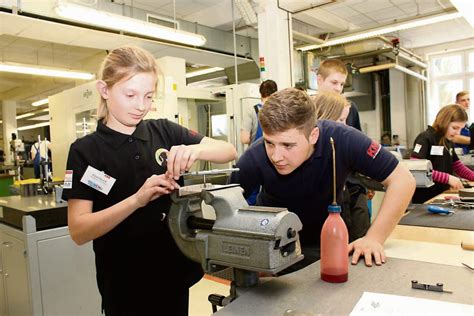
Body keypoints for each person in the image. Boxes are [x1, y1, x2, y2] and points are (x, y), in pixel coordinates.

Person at [62, 46, 237, 316]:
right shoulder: (86, 151)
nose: (141, 105)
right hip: (124, 285)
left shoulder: (163, 130)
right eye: (130, 95)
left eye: (148, 96)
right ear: (104, 90)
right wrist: (136, 200)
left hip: (173, 275)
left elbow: (229, 151)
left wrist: (196, 150)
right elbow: (79, 230)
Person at [229, 88, 415, 273]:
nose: (276, 156)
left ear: (313, 135)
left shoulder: (343, 139)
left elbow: (403, 180)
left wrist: (374, 238)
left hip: (328, 241)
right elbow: (227, 203)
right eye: (270, 143)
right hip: (276, 246)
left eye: (288, 145)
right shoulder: (255, 155)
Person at [316, 59, 371, 241]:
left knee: (360, 235)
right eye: (334, 82)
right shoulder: (308, 109)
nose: (338, 88)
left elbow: (358, 146)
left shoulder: (350, 108)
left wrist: (366, 180)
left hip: (352, 186)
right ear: (319, 80)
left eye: (341, 84)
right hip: (326, 192)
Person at [411, 104, 474, 203]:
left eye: (461, 129)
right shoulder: (425, 138)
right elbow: (416, 168)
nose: (458, 132)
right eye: (455, 128)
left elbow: (458, 166)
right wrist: (448, 178)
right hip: (425, 199)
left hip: (441, 195)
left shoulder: (447, 141)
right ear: (444, 122)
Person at [240, 79, 278, 145]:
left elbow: (244, 139)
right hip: (275, 153)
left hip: (257, 153)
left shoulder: (252, 111)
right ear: (275, 93)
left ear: (260, 93)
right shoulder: (281, 110)